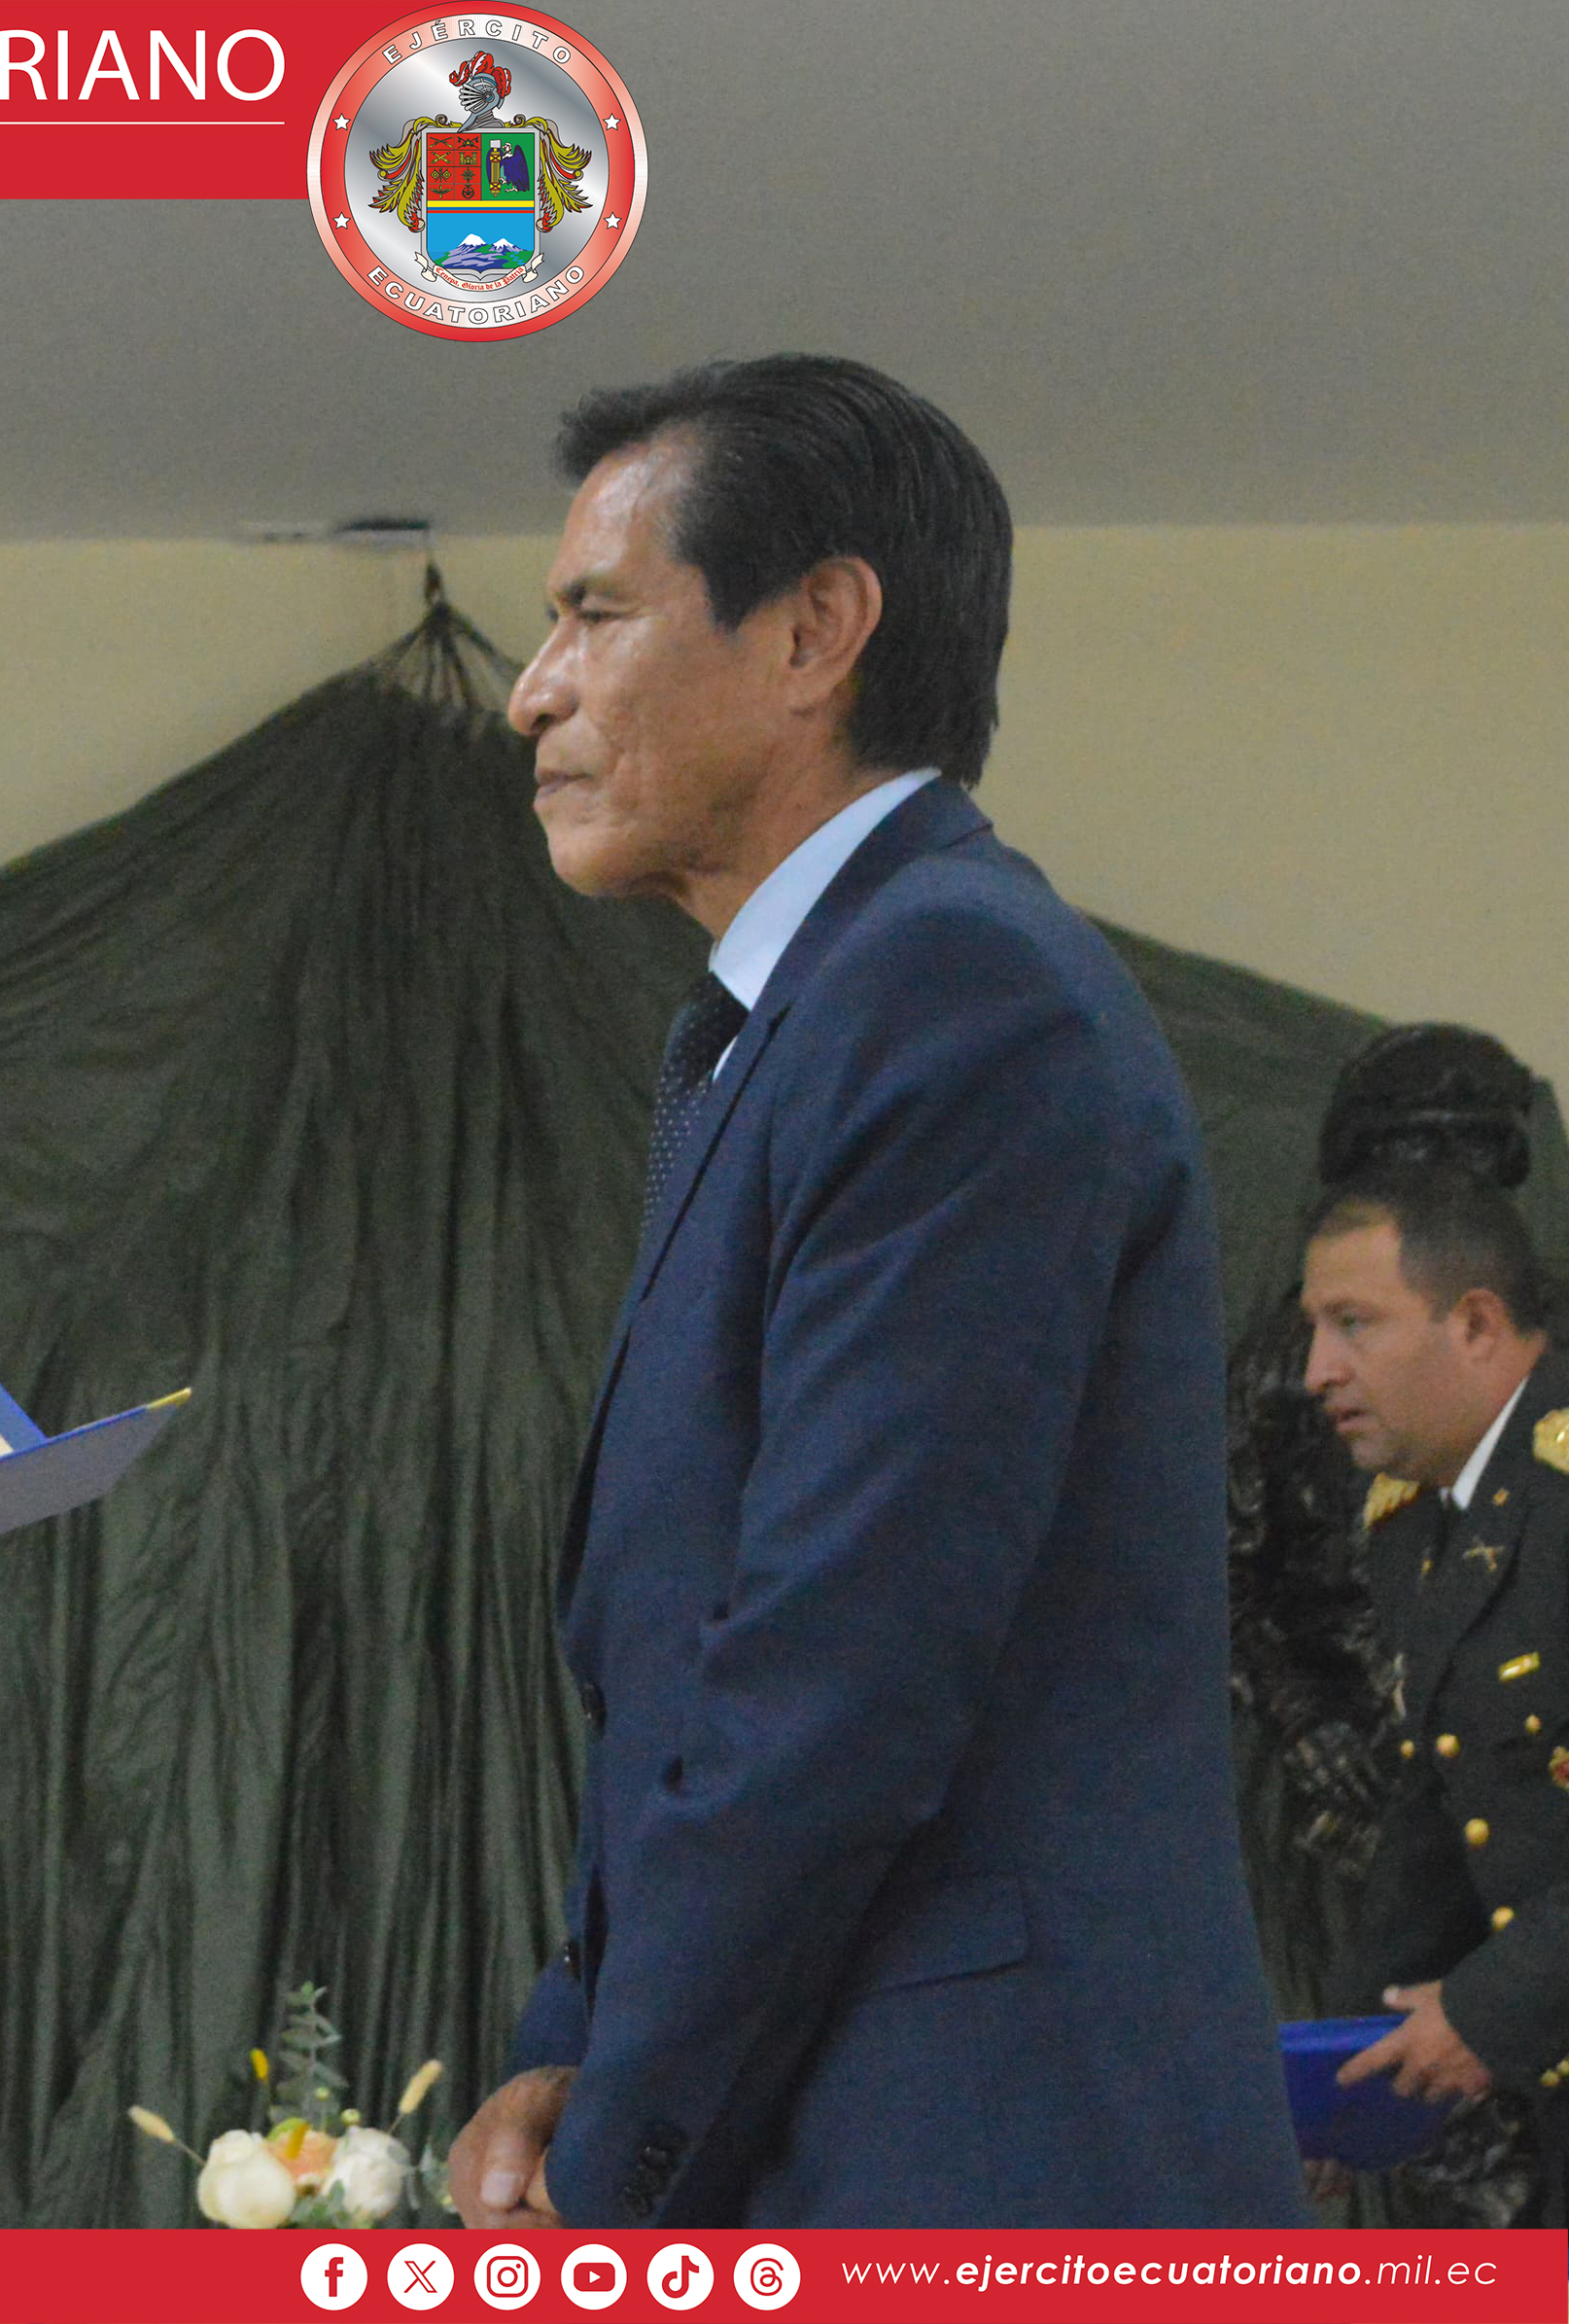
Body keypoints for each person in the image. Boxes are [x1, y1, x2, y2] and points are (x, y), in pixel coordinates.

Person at [444, 354, 1303, 2226]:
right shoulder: (800, 1016)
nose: (532, 690)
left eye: (593, 613)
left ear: (811, 631)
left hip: (981, 2167)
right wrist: (569, 2045)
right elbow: (691, 1656)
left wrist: (612, 2155)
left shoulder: (945, 991)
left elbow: (835, 1670)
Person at [1301, 1166, 1569, 2226]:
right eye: (1315, 1328)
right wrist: (1342, 2079)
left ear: (1476, 1324)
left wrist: (1488, 2009)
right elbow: (1442, 1808)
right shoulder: (1415, 1520)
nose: (1318, 1370)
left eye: (1353, 1323)